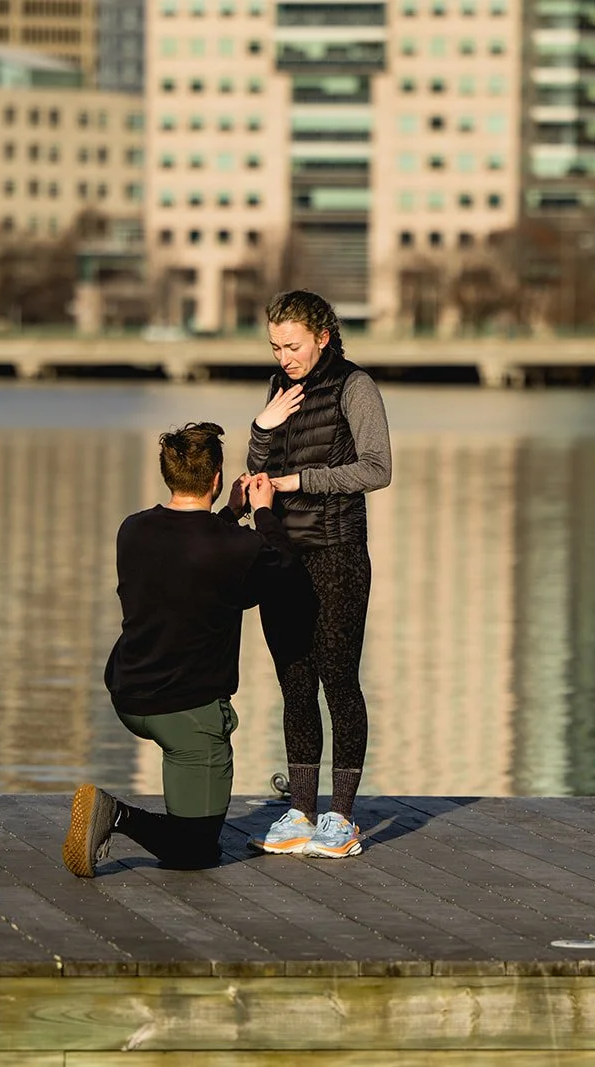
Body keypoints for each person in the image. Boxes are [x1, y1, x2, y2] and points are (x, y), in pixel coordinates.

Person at [63, 423, 293, 877]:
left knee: (191, 828)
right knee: (195, 852)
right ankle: (115, 814)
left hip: (130, 696)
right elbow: (284, 570)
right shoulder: (236, 547)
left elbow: (191, 556)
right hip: (189, 713)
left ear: (168, 475)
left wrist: (227, 516)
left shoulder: (132, 531)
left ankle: (142, 812)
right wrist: (263, 512)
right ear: (215, 479)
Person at [245, 289, 392, 860]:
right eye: (276, 346)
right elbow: (265, 468)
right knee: (294, 682)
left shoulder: (357, 387)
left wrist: (299, 483)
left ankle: (342, 818)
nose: (284, 356)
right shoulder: (280, 387)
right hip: (283, 555)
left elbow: (377, 470)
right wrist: (261, 428)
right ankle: (301, 812)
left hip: (338, 556)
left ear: (323, 336)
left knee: (338, 680)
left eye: (293, 345)